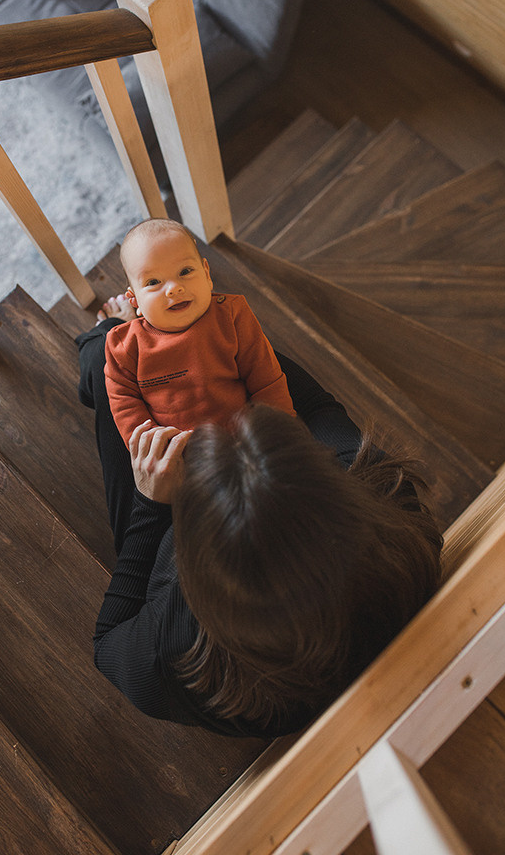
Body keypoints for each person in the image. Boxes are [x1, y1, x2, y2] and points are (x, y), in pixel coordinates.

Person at [76, 307, 443, 739]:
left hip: (167, 558)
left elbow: (108, 640)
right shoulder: (385, 495)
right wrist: (219, 325)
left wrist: (151, 505)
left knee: (105, 358)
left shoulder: (168, 652)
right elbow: (315, 406)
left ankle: (98, 342)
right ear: (326, 482)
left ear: (192, 560)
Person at [99, 218, 295, 447]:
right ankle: (110, 325)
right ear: (135, 300)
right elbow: (124, 403)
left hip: (246, 440)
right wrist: (155, 447)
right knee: (98, 351)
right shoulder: (124, 346)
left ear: (206, 274)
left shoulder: (231, 316)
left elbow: (267, 381)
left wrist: (279, 435)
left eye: (185, 271)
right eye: (153, 282)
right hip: (177, 454)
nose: (174, 288)